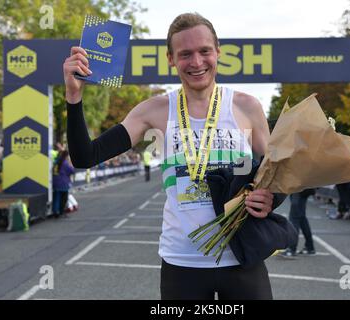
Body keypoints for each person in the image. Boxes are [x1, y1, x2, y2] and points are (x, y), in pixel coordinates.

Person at [64, 13, 283, 300]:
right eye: (185, 54)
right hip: (182, 264)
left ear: (218, 51)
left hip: (242, 258)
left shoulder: (247, 106)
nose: (196, 62)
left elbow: (277, 175)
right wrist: (73, 96)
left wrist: (271, 199)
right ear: (171, 58)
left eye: (204, 51)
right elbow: (85, 156)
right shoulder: (153, 110)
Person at [280, 188, 316, 258]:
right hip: (306, 187)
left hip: (299, 187)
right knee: (302, 218)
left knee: (294, 217)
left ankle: (292, 248)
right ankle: (309, 246)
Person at [52, 150, 75, 218]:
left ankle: (55, 212)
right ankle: (61, 212)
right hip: (63, 183)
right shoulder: (65, 163)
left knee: (56, 198)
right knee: (63, 199)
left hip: (55, 182)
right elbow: (71, 171)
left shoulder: (56, 162)